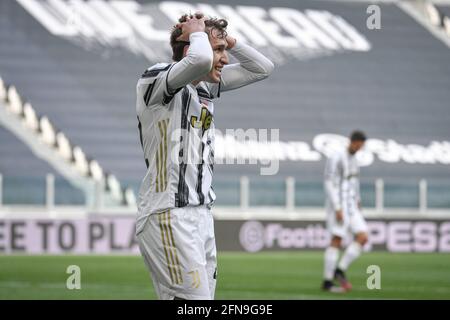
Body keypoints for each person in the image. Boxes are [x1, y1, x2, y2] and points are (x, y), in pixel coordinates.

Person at [135, 13, 274, 300]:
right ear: (191, 48)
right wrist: (199, 33)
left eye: (224, 51)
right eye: (219, 51)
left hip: (200, 216)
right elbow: (198, 60)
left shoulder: (205, 87)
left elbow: (262, 68)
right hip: (168, 212)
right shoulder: (155, 80)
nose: (224, 59)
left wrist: (226, 40)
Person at [322, 130, 369, 292]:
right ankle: (327, 282)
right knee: (337, 239)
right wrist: (337, 207)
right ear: (351, 141)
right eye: (357, 144)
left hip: (351, 206)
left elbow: (354, 182)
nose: (359, 147)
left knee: (363, 237)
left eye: (361, 145)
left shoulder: (355, 160)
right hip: (340, 205)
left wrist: (358, 200)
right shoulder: (336, 157)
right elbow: (329, 183)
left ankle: (339, 270)